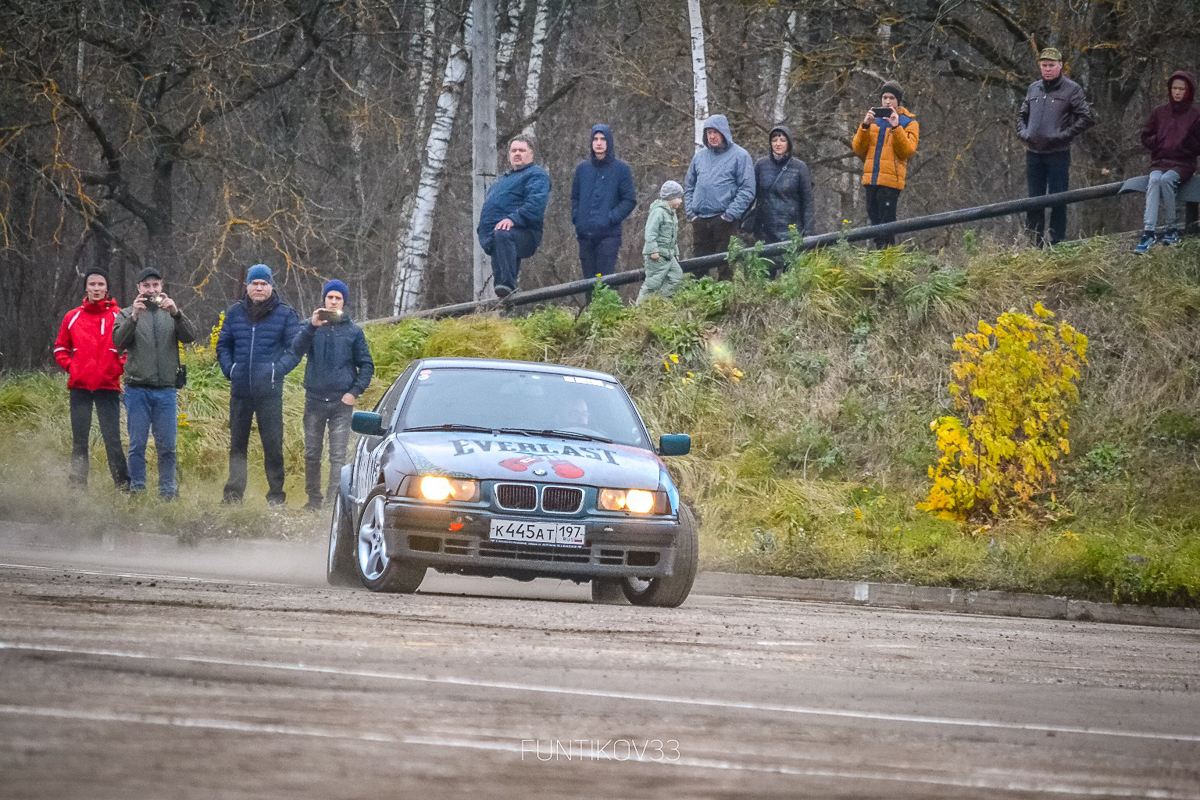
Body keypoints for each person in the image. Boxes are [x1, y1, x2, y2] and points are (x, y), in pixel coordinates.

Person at [215, 264, 303, 506]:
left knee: (273, 446)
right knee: (237, 445)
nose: (259, 288)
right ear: (247, 286)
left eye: (264, 283)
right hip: (241, 391)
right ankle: (233, 496)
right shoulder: (234, 313)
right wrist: (230, 369)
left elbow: (295, 350)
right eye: (254, 283)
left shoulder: (285, 314)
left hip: (269, 393)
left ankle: (276, 497)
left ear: (271, 286)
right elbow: (223, 345)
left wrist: (276, 371)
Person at [112, 266, 197, 499]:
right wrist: (134, 318)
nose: (151, 290)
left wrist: (176, 313)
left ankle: (168, 492)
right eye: (147, 286)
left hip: (166, 390)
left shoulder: (170, 312)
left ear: (162, 286)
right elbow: (118, 341)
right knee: (137, 445)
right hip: (137, 388)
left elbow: (190, 336)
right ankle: (137, 490)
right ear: (138, 288)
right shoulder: (126, 313)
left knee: (167, 447)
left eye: (156, 285)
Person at [290, 279, 374, 511]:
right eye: (330, 297)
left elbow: (367, 365)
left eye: (338, 297)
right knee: (311, 454)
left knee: (337, 457)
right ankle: (313, 501)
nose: (333, 301)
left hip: (341, 402)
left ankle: (332, 504)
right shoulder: (311, 326)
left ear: (344, 301)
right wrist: (312, 327)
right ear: (324, 300)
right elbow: (295, 350)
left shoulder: (354, 332)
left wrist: (354, 392)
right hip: (314, 400)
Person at [53, 267, 130, 490]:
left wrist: (117, 367)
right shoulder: (72, 316)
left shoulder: (119, 315)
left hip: (108, 386)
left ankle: (123, 486)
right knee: (80, 441)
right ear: (86, 287)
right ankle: (77, 488)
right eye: (92, 284)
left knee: (112, 440)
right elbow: (60, 348)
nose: (96, 289)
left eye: (101, 285)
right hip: (80, 387)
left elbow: (128, 350)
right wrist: (72, 367)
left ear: (107, 288)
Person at [1016, 47, 1095, 247]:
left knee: (1058, 198)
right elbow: (1021, 115)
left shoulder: (1072, 89)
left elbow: (1086, 117)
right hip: (1033, 153)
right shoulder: (1033, 88)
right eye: (1044, 65)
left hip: (1058, 153)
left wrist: (1063, 136)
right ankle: (1034, 243)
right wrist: (1024, 133)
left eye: (1051, 65)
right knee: (1034, 199)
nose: (1047, 69)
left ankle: (1057, 242)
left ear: (1060, 65)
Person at [477, 136, 552, 297]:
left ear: (531, 154)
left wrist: (512, 219)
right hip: (498, 237)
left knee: (503, 234)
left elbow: (535, 206)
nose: (517, 154)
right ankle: (505, 300)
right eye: (514, 150)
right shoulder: (502, 180)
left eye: (522, 150)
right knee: (501, 238)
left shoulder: (536, 175)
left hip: (524, 233)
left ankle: (507, 285)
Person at [1134, 70, 1200, 254]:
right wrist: (1158, 142)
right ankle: (1148, 231)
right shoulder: (1159, 112)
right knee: (1154, 180)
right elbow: (1145, 136)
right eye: (1174, 88)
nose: (1177, 92)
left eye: (1181, 89)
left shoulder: (1195, 115)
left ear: (1188, 91)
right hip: (1160, 160)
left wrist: (1187, 143)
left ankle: (1171, 228)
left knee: (1166, 180)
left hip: (1183, 164)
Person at [684, 113, 756, 280]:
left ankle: (725, 300)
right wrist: (691, 213)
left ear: (724, 132)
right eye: (709, 132)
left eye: (715, 132)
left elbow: (747, 189)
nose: (712, 136)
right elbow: (689, 185)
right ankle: (700, 299)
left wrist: (730, 215)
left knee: (725, 266)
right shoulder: (699, 157)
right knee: (699, 267)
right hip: (700, 219)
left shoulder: (740, 156)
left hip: (724, 220)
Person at [851, 81, 919, 249]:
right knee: (874, 223)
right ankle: (879, 256)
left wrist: (896, 127)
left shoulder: (908, 122)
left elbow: (907, 151)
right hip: (871, 179)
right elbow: (858, 148)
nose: (887, 102)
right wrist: (865, 125)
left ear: (898, 101)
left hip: (890, 182)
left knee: (887, 224)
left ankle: (888, 257)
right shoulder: (874, 119)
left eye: (892, 98)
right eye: (884, 97)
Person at [570, 124, 637, 280]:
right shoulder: (582, 169)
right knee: (588, 281)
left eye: (602, 139)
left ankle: (607, 305)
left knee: (605, 280)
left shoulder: (621, 169)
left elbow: (629, 200)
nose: (599, 143)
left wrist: (610, 218)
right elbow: (575, 197)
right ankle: (590, 305)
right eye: (595, 139)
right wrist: (578, 217)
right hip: (585, 235)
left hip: (609, 235)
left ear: (609, 142)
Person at [748, 125, 816, 246]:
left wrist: (809, 232)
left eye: (782, 140)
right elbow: (750, 194)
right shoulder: (761, 165)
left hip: (792, 229)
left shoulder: (800, 167)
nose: (778, 144)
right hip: (764, 230)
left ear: (789, 143)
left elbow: (808, 202)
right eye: (774, 140)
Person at [637, 181, 685, 303]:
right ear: (670, 197)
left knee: (676, 276)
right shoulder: (658, 212)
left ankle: (661, 301)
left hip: (669, 255)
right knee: (653, 282)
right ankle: (639, 306)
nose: (681, 201)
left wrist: (675, 253)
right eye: (678, 198)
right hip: (657, 255)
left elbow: (673, 237)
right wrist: (653, 250)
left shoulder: (672, 213)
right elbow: (650, 232)